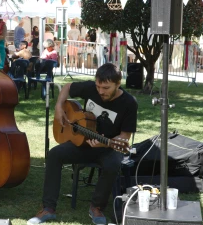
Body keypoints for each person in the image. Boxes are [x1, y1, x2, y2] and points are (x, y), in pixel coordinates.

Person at [27, 63, 138, 225]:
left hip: (109, 147)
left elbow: (124, 138)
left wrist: (105, 144)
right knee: (54, 154)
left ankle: (96, 207)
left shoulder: (129, 103)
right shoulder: (91, 88)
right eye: (98, 86)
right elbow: (67, 87)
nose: (100, 91)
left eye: (106, 88)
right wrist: (59, 106)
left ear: (118, 83)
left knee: (113, 163)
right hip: (82, 142)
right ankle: (48, 208)